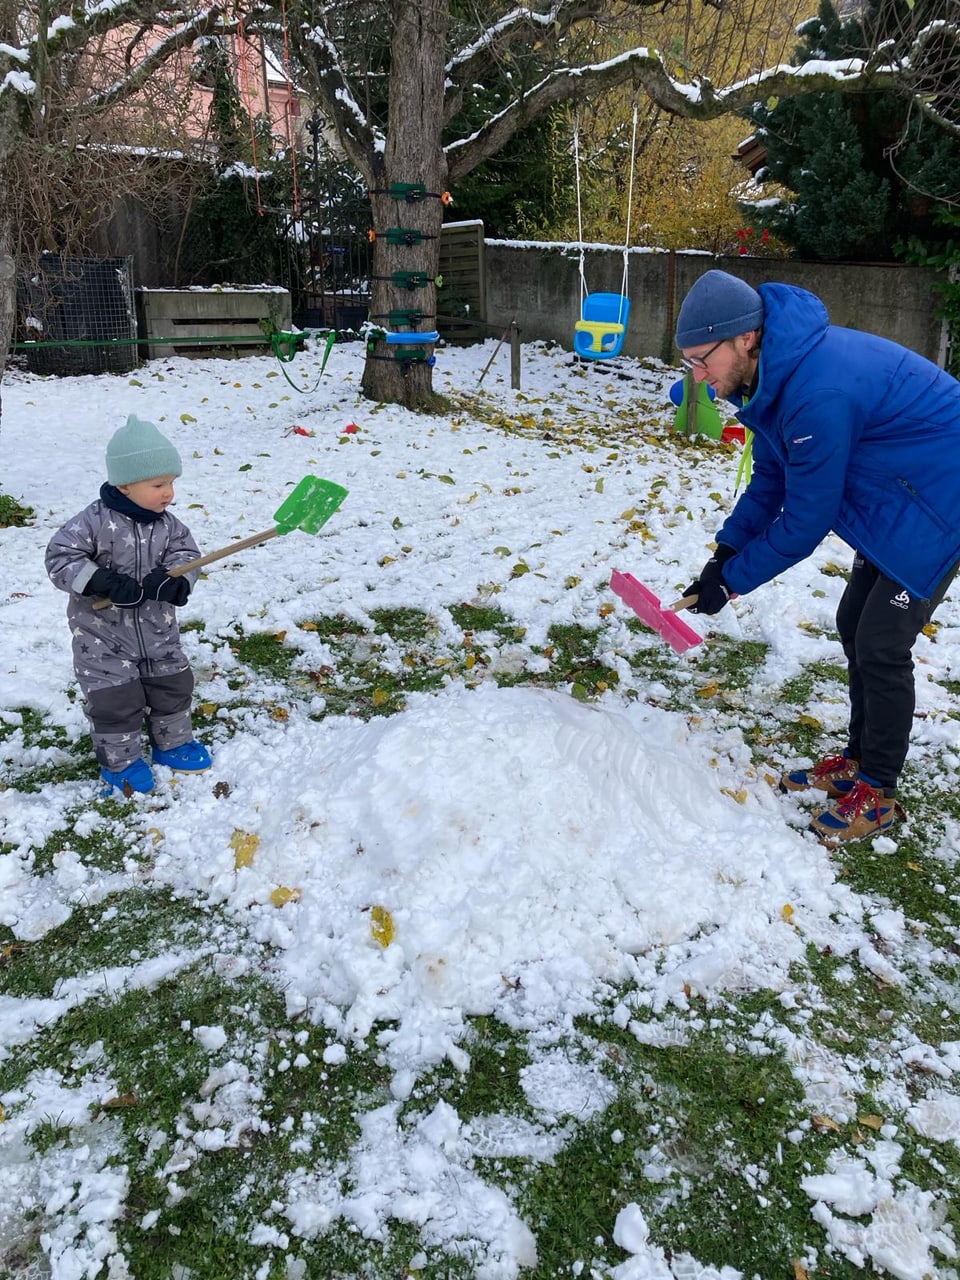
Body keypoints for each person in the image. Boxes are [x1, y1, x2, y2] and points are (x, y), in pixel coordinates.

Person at [674, 269, 960, 843]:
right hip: (900, 494)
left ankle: (878, 791)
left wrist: (732, 584)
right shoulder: (775, 379)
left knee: (882, 639)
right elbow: (771, 479)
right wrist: (724, 554)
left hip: (942, 499)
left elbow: (805, 521)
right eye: (690, 365)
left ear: (745, 339)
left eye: (704, 361)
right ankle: (858, 761)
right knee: (853, 623)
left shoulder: (814, 393)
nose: (700, 380)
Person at [46, 414, 212, 795]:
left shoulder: (169, 526)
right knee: (116, 700)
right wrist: (102, 581)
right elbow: (60, 558)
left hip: (158, 631)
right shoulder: (92, 523)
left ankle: (172, 744)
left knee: (172, 685)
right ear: (125, 484)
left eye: (171, 482)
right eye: (158, 484)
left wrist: (173, 581)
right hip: (103, 638)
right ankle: (120, 762)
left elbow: (189, 556)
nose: (169, 492)